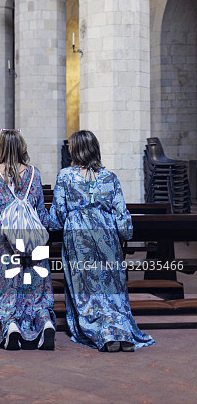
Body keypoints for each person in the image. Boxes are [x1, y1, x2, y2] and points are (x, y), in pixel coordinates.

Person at [50, 130, 154, 352]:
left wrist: (50, 224)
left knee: (86, 289)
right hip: (107, 234)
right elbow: (122, 213)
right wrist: (125, 235)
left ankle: (103, 333)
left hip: (79, 237)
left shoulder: (66, 176)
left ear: (75, 150)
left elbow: (58, 215)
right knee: (111, 286)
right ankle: (121, 331)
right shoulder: (110, 177)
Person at [0, 129, 56, 350]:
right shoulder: (34, 174)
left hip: (2, 237)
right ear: (22, 147)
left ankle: (10, 324)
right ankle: (44, 321)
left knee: (5, 285)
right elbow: (42, 214)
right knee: (34, 284)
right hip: (32, 236)